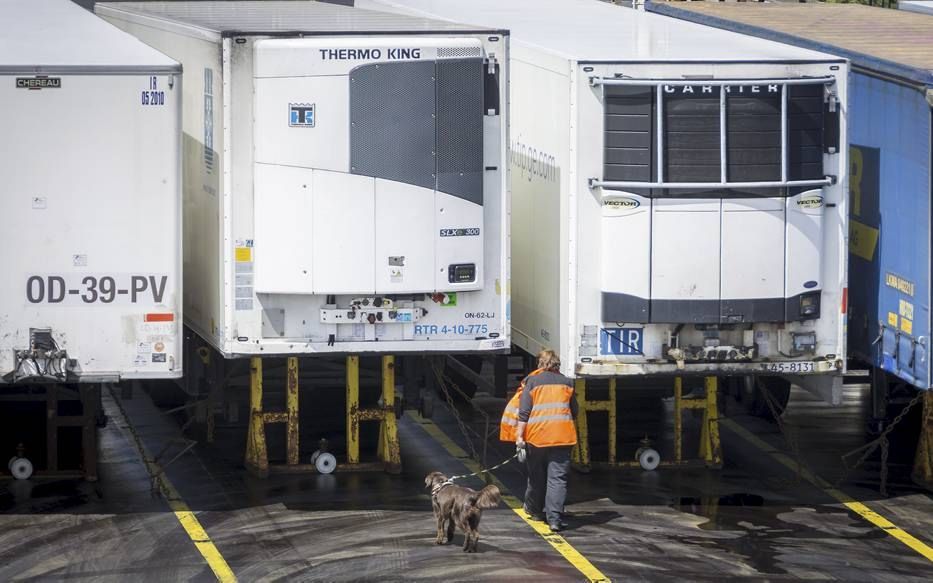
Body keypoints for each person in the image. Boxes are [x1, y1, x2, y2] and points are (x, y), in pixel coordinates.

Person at [500, 349, 578, 532]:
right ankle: (554, 520)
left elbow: (524, 412)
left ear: (540, 364)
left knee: (537, 476)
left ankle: (535, 510)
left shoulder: (532, 381)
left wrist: (519, 437)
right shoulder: (568, 383)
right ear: (557, 364)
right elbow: (575, 411)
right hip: (563, 437)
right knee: (557, 479)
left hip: (537, 438)